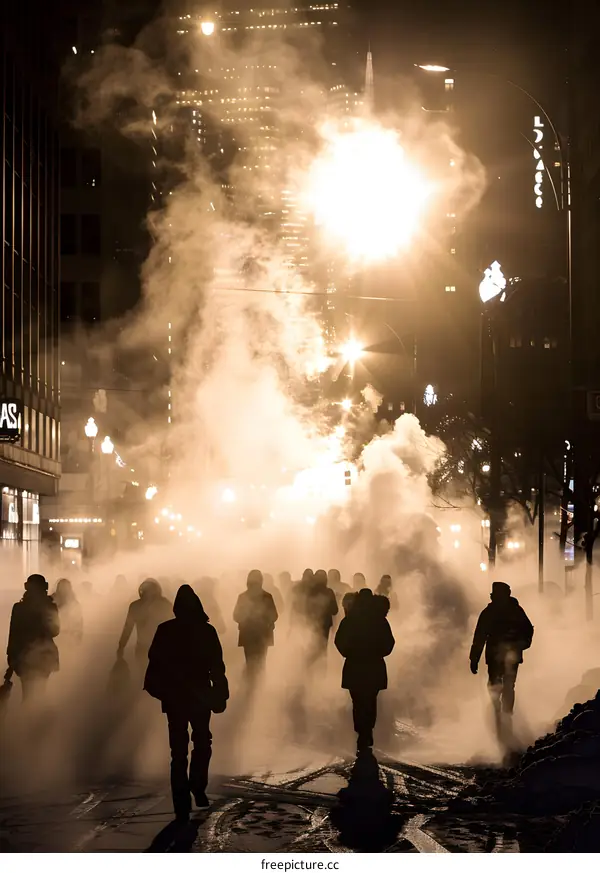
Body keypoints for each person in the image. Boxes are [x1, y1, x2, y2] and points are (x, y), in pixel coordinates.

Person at [144, 584, 229, 821]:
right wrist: (220, 693)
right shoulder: (206, 630)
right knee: (202, 742)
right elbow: (217, 665)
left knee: (178, 750)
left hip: (174, 697)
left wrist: (159, 689)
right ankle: (198, 786)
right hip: (200, 695)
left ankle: (181, 798)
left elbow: (154, 662)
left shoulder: (165, 630)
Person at [335, 588, 395, 755]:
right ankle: (367, 731)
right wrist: (378, 653)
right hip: (374, 666)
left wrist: (349, 653)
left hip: (354, 665)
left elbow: (339, 641)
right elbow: (389, 643)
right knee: (370, 701)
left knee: (358, 702)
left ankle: (361, 732)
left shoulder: (350, 619)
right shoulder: (380, 620)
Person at [469, 581, 534, 718]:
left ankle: (505, 713)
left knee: (504, 684)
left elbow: (480, 636)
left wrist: (474, 658)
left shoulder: (510, 611)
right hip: (499, 655)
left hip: (506, 654)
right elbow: (480, 636)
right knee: (499, 685)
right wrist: (474, 658)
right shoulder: (502, 611)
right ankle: (501, 712)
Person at [6, 574, 60, 701]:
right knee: (40, 691)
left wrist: (11, 656)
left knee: (27, 693)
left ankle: (30, 712)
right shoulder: (50, 606)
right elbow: (55, 631)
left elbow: (13, 633)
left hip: (23, 654)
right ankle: (37, 712)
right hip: (45, 655)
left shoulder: (19, 608)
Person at [117, 578, 173, 668]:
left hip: (158, 647)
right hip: (148, 647)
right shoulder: (164, 604)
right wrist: (121, 645)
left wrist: (121, 646)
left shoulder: (163, 605)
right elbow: (128, 627)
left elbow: (128, 628)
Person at [233, 570, 278, 680]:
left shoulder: (243, 596)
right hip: (261, 635)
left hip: (250, 635)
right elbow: (274, 615)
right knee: (260, 662)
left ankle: (252, 683)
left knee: (251, 662)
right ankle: (258, 683)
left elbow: (236, 616)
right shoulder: (267, 597)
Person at [293, 569, 338, 663]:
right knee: (322, 650)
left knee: (309, 648)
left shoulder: (309, 592)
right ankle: (320, 668)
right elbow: (335, 610)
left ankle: (307, 667)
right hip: (325, 625)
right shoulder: (329, 592)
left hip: (309, 624)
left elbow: (303, 608)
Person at [52, 578, 83, 645]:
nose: (63, 590)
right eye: (62, 588)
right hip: (55, 635)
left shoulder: (74, 603)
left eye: (65, 588)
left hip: (68, 636)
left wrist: (77, 636)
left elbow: (78, 622)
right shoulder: (52, 600)